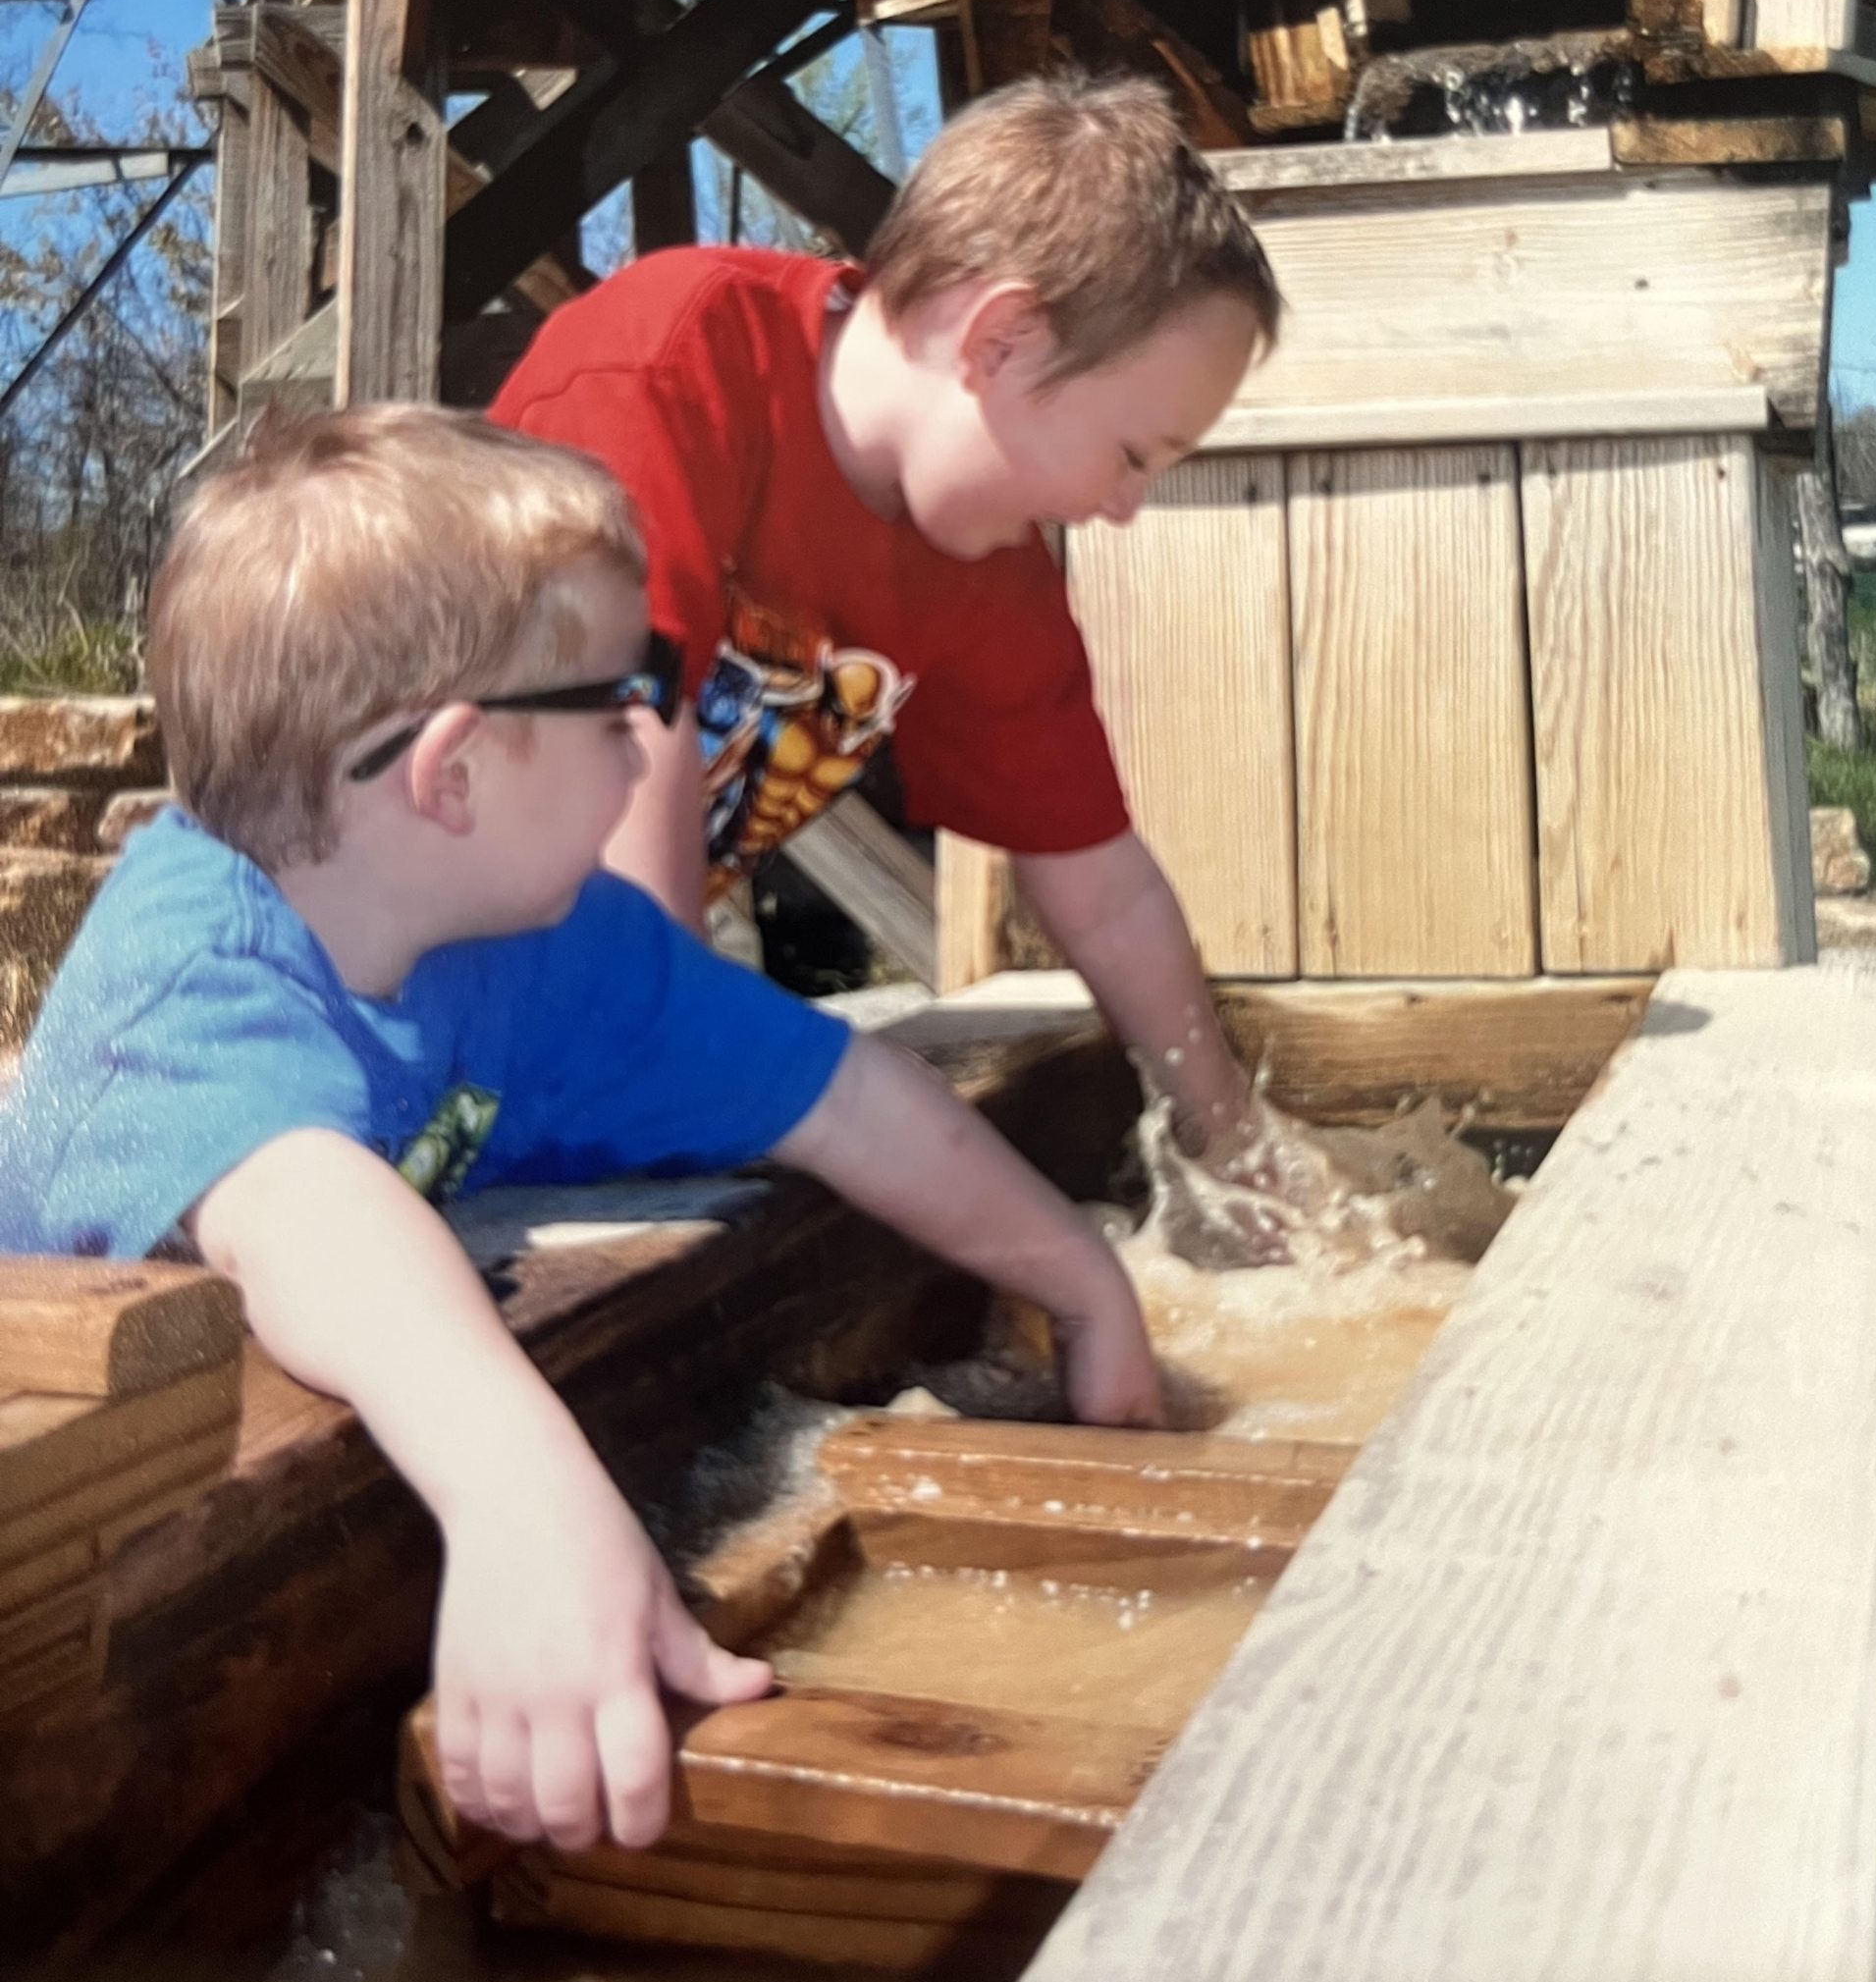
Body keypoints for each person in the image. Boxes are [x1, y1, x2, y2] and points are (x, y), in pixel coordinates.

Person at [0, 405, 1160, 1852]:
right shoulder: (184, 969)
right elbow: (306, 1217)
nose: (654, 735)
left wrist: (1079, 1277)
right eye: (625, 692)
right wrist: (524, 1503)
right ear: (456, 773)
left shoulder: (555, 944)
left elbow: (851, 1096)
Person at [490, 74, 1282, 1160]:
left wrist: (1231, 1140)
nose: (1125, 506)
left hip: (587, 1000)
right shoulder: (671, 367)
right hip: (367, 982)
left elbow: (1101, 885)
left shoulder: (986, 564)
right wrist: (681, 1083)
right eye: (1134, 453)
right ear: (1000, 341)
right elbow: (619, 742)